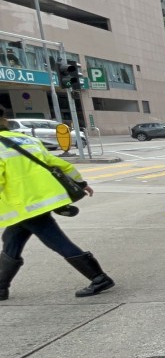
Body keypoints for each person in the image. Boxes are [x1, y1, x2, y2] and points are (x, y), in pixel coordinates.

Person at [0, 121, 114, 300]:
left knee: (55, 240)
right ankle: (1, 287)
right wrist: (81, 183)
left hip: (25, 203)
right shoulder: (26, 139)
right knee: (11, 238)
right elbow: (60, 164)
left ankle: (99, 277)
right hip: (39, 200)